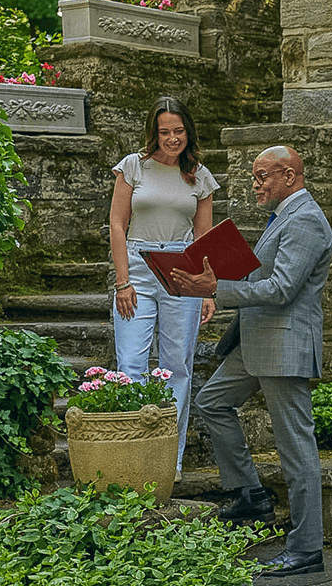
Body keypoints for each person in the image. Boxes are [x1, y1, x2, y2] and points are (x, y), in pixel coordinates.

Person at [171, 145, 332, 578]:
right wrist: (214, 270)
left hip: (283, 346)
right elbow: (262, 276)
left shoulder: (307, 221)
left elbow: (281, 289)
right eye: (255, 176)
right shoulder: (282, 218)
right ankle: (250, 493)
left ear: (290, 176)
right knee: (211, 403)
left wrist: (216, 289)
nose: (255, 184)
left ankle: (306, 549)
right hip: (255, 340)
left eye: (262, 176)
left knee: (296, 451)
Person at [109, 96, 218, 481]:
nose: (173, 139)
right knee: (132, 364)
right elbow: (118, 225)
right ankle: (133, 453)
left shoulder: (199, 176)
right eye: (164, 132)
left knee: (177, 367)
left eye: (179, 131)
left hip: (183, 268)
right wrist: (123, 282)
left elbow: (204, 236)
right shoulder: (133, 166)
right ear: (153, 133)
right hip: (138, 265)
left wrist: (207, 290)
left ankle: (168, 459)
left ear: (188, 131)